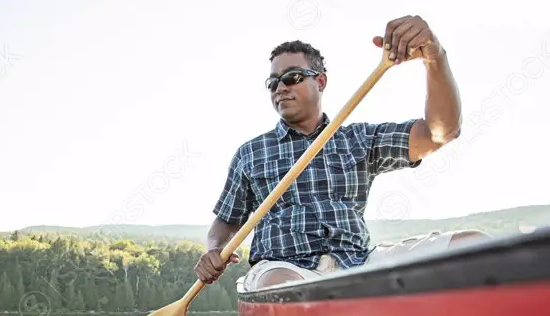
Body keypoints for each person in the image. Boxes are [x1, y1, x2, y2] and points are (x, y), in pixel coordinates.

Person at [194, 15, 486, 291]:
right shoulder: (251, 153)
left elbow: (441, 132)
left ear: (320, 81)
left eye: (292, 77)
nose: (280, 88)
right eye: (273, 82)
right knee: (286, 287)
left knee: (474, 245)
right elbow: (226, 221)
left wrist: (436, 57)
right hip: (282, 267)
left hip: (358, 263)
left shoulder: (358, 139)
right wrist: (213, 250)